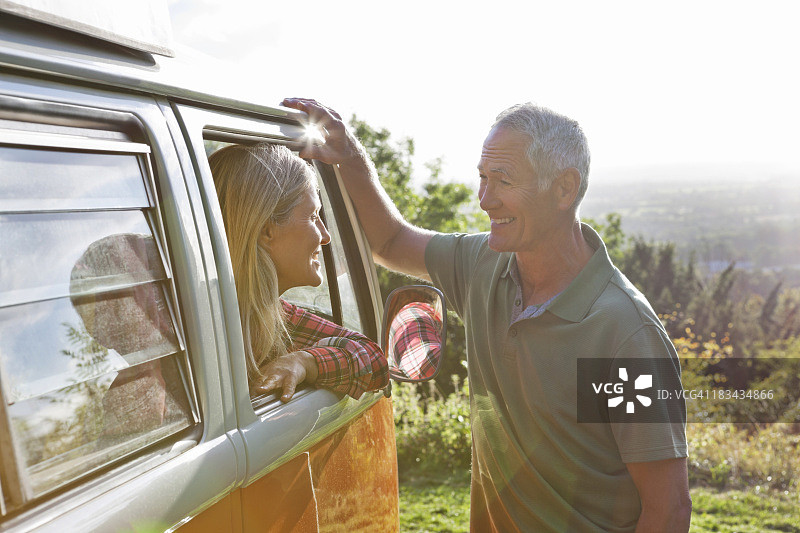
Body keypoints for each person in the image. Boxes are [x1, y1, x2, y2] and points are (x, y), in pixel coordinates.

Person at [282, 98, 691, 532]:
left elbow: (667, 511)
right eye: (482, 177)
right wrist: (350, 158)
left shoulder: (624, 332)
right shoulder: (484, 265)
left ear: (565, 189)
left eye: (503, 180)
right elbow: (392, 241)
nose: (485, 199)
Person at [208, 142, 388, 401]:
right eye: (314, 217)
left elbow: (373, 360)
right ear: (266, 231)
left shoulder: (275, 315)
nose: (325, 237)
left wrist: (306, 362)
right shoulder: (235, 314)